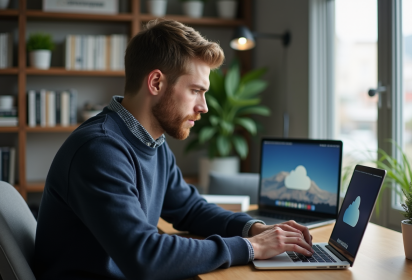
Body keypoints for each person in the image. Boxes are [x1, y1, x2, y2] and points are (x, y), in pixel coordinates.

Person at [33, 19, 313, 280]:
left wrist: (253, 229)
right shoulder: (99, 150)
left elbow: (190, 209)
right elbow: (144, 256)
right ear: (156, 82)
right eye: (195, 90)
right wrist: (250, 247)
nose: (203, 106)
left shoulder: (151, 142)